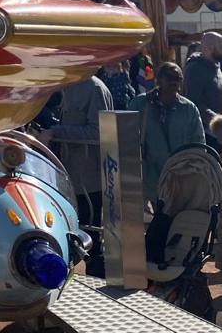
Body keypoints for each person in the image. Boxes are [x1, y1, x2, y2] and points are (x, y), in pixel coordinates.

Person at [38, 76, 113, 277]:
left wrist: (55, 132)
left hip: (89, 178)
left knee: (92, 234)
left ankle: (97, 279)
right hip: (70, 176)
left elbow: (97, 131)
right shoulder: (70, 85)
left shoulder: (94, 88)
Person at [129, 61, 205, 205]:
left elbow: (199, 144)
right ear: (159, 79)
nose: (174, 82)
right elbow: (127, 137)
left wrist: (192, 169)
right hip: (149, 177)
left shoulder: (189, 109)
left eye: (178, 78)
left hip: (180, 177)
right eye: (170, 78)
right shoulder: (141, 104)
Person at [184, 31, 222, 146]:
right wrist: (216, 121)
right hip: (207, 134)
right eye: (221, 46)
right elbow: (194, 101)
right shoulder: (195, 69)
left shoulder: (216, 68)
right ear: (210, 48)